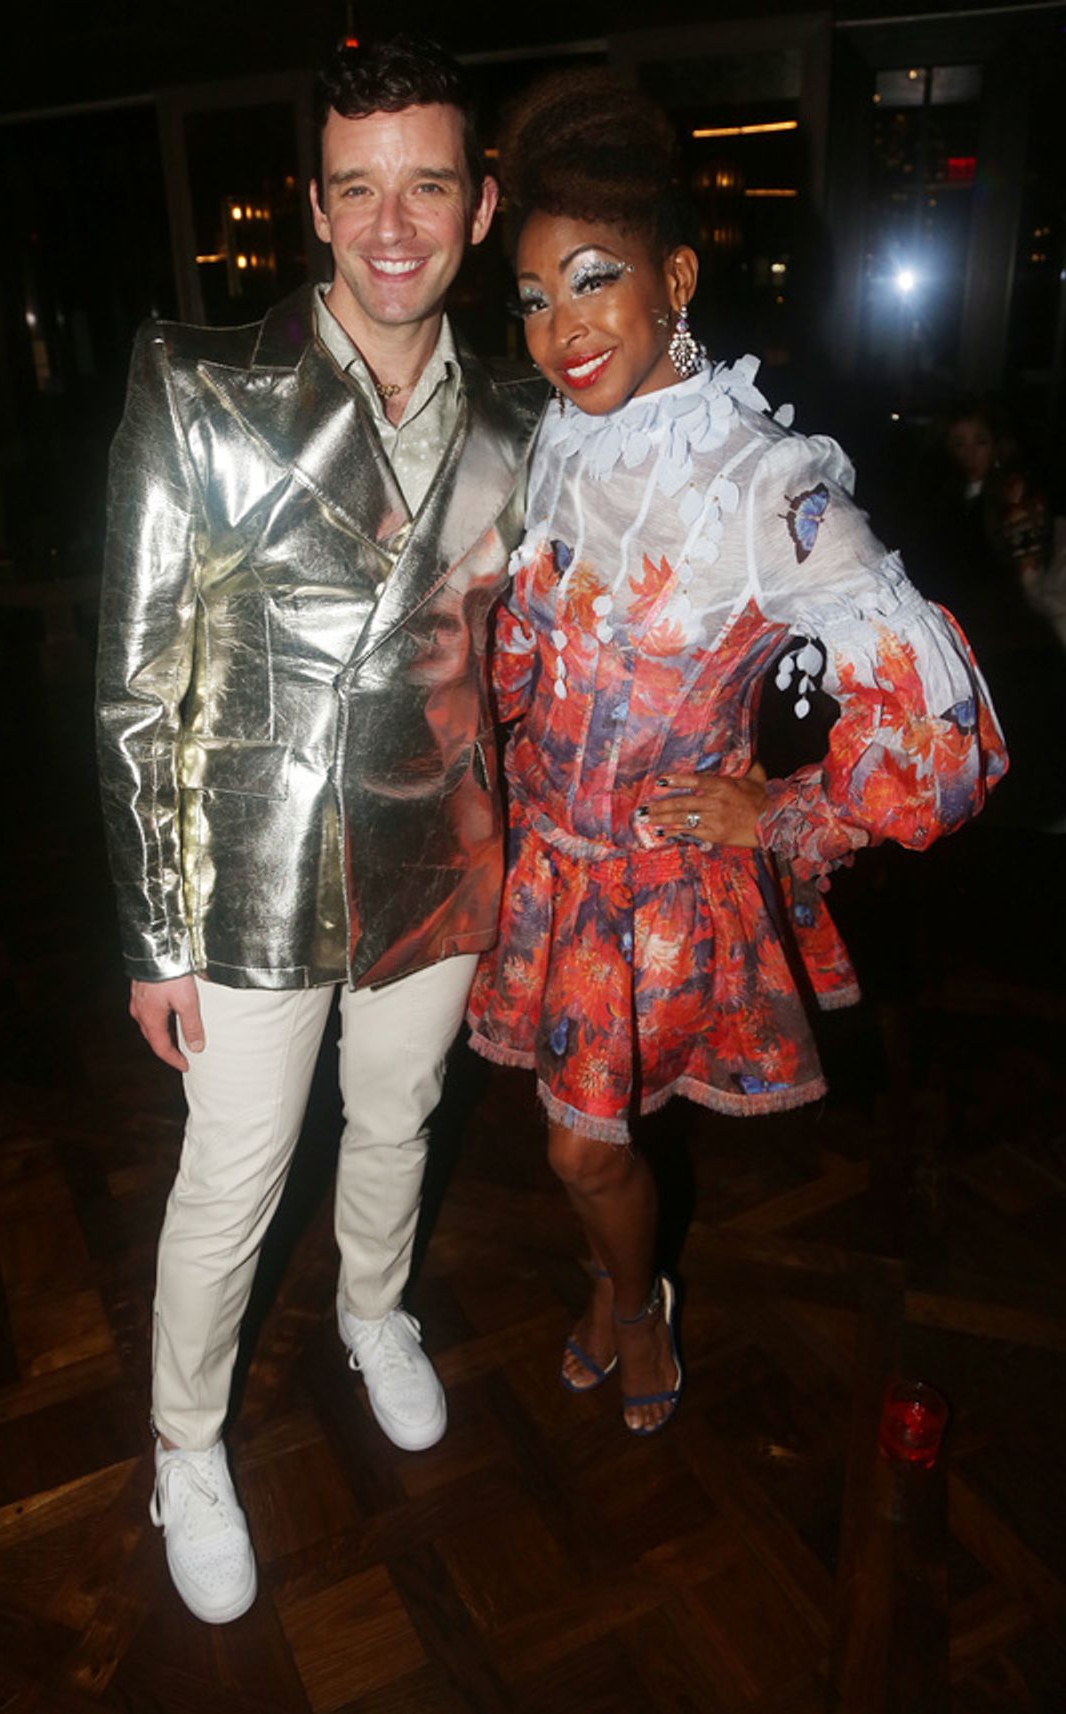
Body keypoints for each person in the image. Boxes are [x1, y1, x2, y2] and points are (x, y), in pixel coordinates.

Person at [467, 73, 1007, 1438]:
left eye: (592, 281)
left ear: (678, 278)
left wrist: (785, 808)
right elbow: (526, 651)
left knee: (581, 1146)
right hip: (551, 865)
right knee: (599, 1143)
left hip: (659, 888)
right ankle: (620, 1280)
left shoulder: (769, 481)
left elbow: (941, 728)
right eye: (532, 297)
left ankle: (639, 1299)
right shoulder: (556, 439)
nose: (560, 326)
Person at [95, 35, 545, 1624]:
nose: (394, 223)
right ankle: (186, 1441)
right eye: (358, 189)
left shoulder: (520, 415)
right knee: (232, 1176)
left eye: (428, 183)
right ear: (315, 207)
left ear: (482, 205)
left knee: (401, 1120)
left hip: (442, 858)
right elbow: (137, 687)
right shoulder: (197, 382)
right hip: (252, 879)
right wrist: (154, 930)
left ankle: (373, 1311)